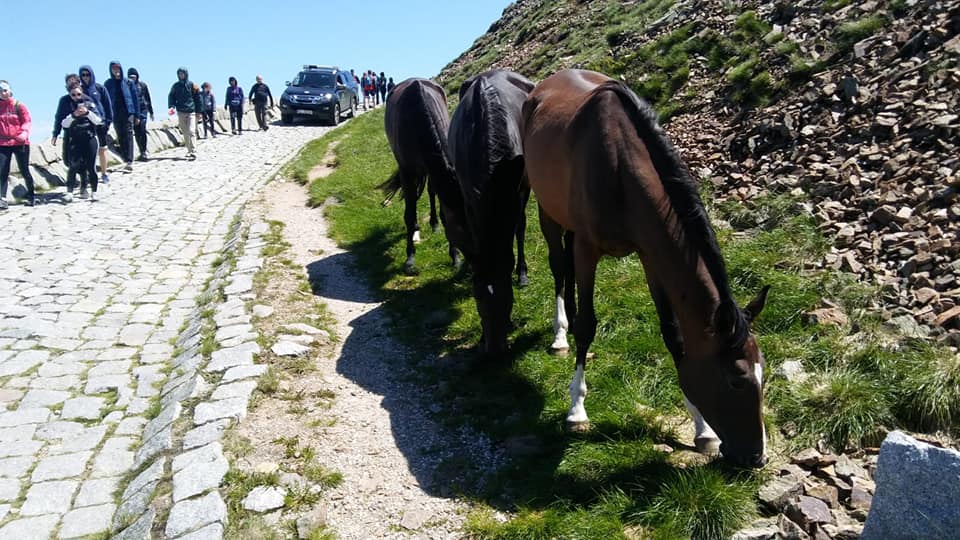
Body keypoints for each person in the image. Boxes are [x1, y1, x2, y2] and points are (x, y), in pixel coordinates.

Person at [61, 87, 103, 202]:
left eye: (78, 94)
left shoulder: (90, 104)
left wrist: (87, 112)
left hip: (90, 139)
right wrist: (74, 115)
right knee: (73, 166)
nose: (76, 97)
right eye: (73, 95)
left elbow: (98, 120)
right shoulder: (68, 106)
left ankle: (94, 192)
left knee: (91, 167)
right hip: (75, 140)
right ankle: (69, 192)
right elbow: (64, 124)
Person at [0, 81, 36, 209]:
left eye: (4, 90)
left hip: (20, 142)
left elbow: (27, 121)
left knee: (24, 170)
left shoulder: (19, 106)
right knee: (2, 170)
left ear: (10, 90)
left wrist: (24, 133)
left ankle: (31, 196)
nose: (3, 93)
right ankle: (2, 199)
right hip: (3, 143)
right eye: (0, 91)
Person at [78, 65, 112, 184]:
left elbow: (108, 105)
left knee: (102, 149)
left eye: (87, 74)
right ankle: (89, 174)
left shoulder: (99, 88)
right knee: (88, 151)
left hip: (101, 122)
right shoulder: (79, 91)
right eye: (83, 75)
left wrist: (108, 121)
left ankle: (104, 173)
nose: (86, 77)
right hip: (87, 124)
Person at [104, 61, 139, 172]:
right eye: (114, 69)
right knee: (120, 136)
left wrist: (137, 115)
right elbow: (105, 100)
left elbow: (135, 99)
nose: (116, 71)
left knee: (128, 135)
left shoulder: (128, 82)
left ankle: (129, 160)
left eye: (117, 68)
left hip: (128, 112)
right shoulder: (108, 84)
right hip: (115, 113)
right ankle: (125, 157)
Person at [168, 67, 202, 159]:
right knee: (185, 132)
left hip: (191, 111)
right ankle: (189, 150)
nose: (181, 75)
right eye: (179, 74)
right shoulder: (175, 86)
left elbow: (198, 99)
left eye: (182, 73)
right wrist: (171, 106)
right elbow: (171, 96)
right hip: (181, 111)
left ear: (186, 74)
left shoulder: (192, 85)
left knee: (191, 131)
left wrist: (199, 111)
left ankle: (194, 150)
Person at [52, 74, 82, 163]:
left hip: (84, 132)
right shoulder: (64, 100)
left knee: (82, 160)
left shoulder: (86, 98)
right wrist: (55, 134)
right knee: (67, 159)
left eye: (74, 82)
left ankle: (83, 176)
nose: (72, 85)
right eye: (69, 83)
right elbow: (59, 117)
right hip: (69, 132)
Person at [128, 67, 154, 161]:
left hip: (143, 110)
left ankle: (143, 151)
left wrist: (151, 112)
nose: (132, 78)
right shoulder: (127, 86)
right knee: (137, 131)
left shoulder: (142, 85)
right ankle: (141, 151)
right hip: (133, 111)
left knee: (142, 129)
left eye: (134, 76)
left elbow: (148, 98)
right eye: (130, 77)